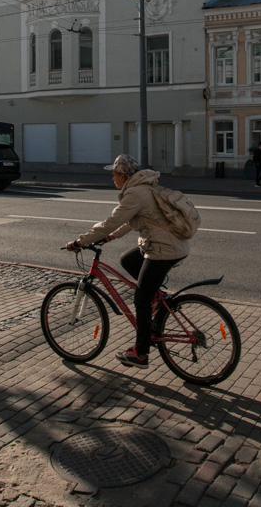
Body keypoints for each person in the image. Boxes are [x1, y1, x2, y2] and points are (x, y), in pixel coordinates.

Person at [66, 154, 189, 369]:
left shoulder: (135, 193)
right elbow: (132, 221)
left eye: (113, 174)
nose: (112, 179)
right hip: (170, 245)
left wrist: (80, 241)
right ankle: (158, 298)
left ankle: (141, 353)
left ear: (122, 175)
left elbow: (111, 222)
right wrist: (111, 237)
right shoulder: (143, 188)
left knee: (141, 300)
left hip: (163, 250)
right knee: (128, 259)